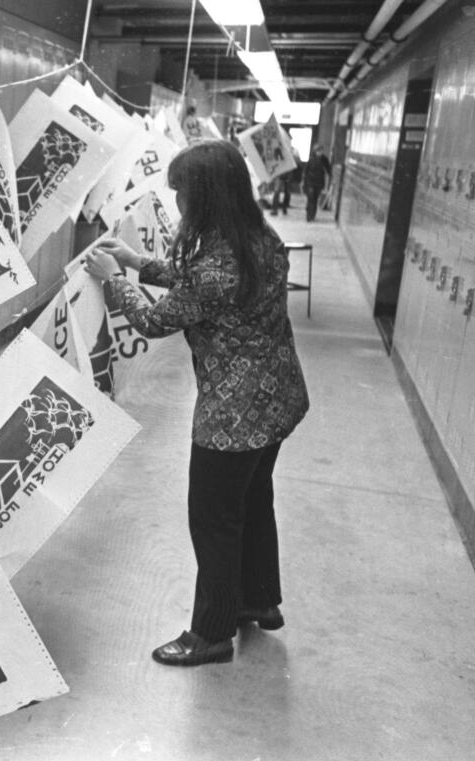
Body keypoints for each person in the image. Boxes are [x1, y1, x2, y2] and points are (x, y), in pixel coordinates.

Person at [83, 139, 310, 667]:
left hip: (233, 415)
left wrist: (115, 280)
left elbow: (155, 320)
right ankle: (257, 600)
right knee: (252, 502)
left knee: (212, 519)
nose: (177, 199)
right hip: (276, 400)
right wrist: (139, 262)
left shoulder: (220, 262)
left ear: (205, 195)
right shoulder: (257, 236)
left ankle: (210, 634)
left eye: (182, 189)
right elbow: (207, 278)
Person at [302, 144, 332, 222]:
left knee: (315, 200)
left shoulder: (324, 159)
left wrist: (331, 179)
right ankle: (309, 216)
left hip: (319, 183)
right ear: (315, 151)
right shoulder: (311, 159)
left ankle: (312, 216)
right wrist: (303, 182)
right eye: (318, 151)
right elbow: (305, 171)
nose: (320, 152)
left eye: (321, 151)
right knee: (310, 198)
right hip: (310, 182)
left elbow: (329, 170)